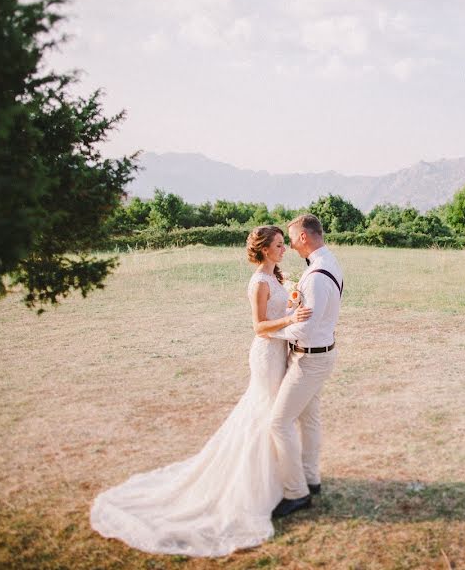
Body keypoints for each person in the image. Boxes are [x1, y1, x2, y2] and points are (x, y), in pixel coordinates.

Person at [89, 226, 312, 557]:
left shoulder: (276, 277)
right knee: (265, 413)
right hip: (266, 354)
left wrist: (292, 301)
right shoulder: (259, 283)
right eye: (279, 245)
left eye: (284, 244)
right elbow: (258, 326)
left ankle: (279, 479)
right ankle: (255, 486)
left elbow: (279, 314)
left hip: (280, 352)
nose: (284, 249)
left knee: (272, 415)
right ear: (264, 250)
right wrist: (291, 316)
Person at [268, 214, 344, 518]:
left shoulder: (315, 275)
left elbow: (304, 329)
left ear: (304, 238)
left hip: (310, 358)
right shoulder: (329, 261)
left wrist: (270, 331)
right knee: (309, 418)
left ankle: (296, 493)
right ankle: (311, 480)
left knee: (279, 422)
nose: (289, 244)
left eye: (291, 237)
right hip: (323, 353)